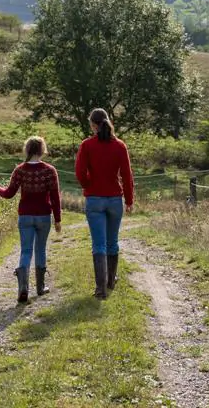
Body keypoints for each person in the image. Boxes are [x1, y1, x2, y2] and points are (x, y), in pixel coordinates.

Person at [0, 136, 62, 303]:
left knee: (25, 251)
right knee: (40, 249)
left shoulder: (20, 170)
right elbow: (55, 198)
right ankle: (40, 287)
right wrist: (58, 219)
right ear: (42, 150)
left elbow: (9, 193)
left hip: (25, 216)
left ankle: (23, 287)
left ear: (27, 150)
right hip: (44, 216)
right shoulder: (49, 170)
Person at [74, 108, 134, 299]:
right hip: (115, 199)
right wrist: (129, 199)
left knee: (98, 243)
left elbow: (79, 172)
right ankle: (110, 281)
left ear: (93, 125)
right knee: (112, 242)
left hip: (94, 199)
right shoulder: (120, 146)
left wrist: (88, 185)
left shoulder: (87, 145)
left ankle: (101, 289)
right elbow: (127, 176)